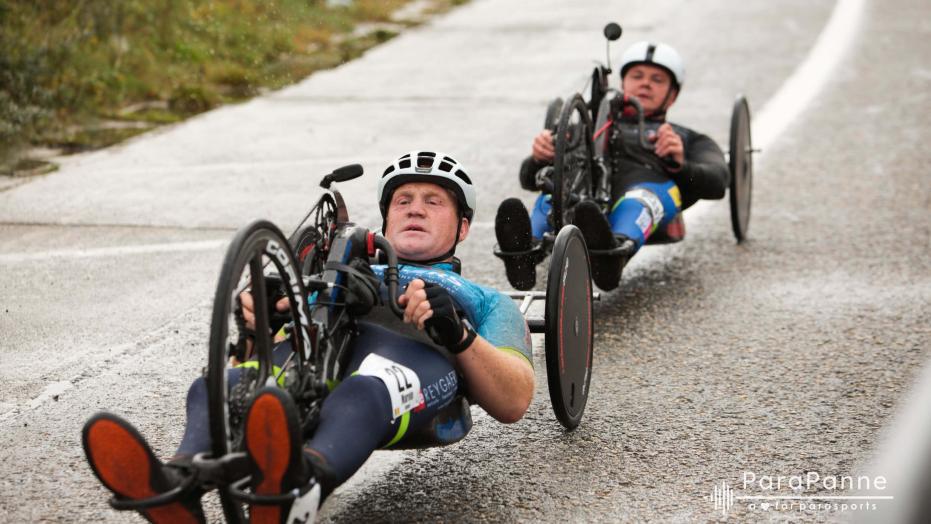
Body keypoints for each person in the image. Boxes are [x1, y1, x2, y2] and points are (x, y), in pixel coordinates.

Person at [81, 151, 535, 524]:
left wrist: (459, 334)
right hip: (320, 353)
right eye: (403, 200)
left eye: (433, 201)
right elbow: (254, 357)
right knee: (222, 385)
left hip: (413, 361)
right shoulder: (333, 272)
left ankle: (298, 486)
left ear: (463, 227)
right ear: (385, 221)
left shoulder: (486, 299)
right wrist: (257, 323)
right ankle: (179, 482)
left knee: (365, 391)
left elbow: (514, 398)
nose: (415, 208)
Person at [495, 41, 730, 291]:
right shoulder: (583, 129)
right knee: (554, 195)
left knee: (639, 200)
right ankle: (522, 254)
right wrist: (539, 158)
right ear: (623, 83)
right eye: (637, 76)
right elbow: (529, 179)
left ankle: (611, 257)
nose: (646, 83)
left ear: (672, 95)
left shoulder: (685, 138)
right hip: (584, 196)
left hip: (644, 190)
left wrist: (681, 163)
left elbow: (718, 181)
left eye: (657, 80)